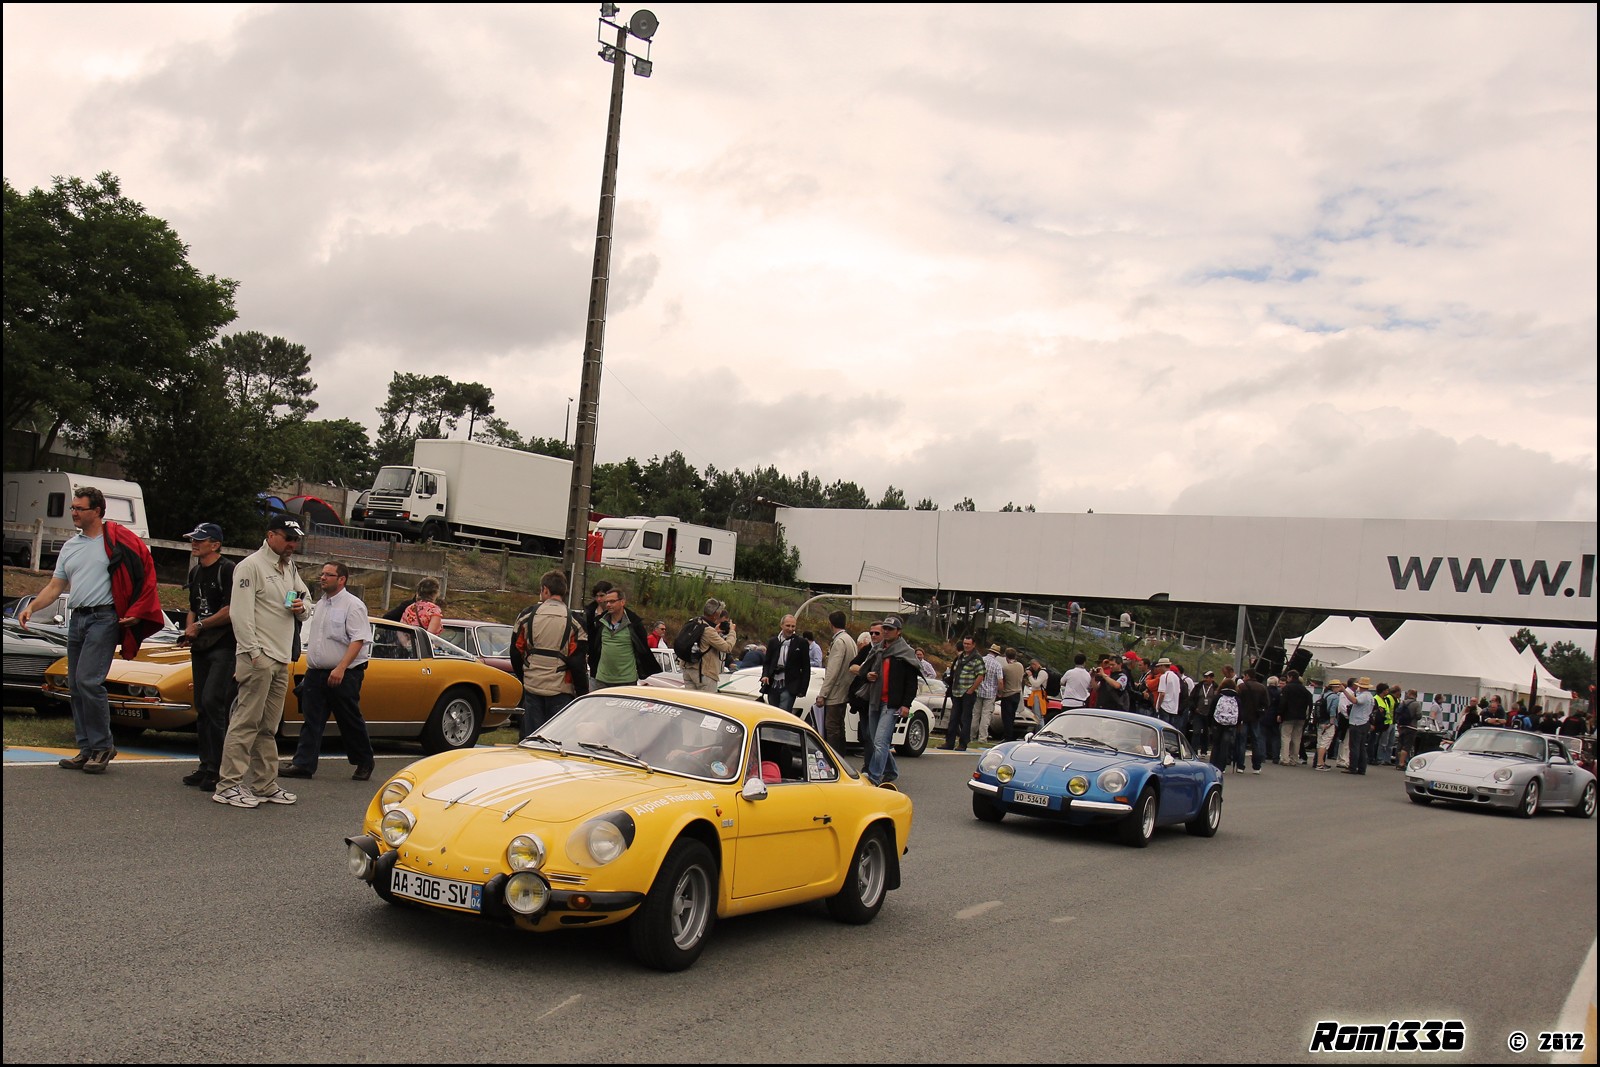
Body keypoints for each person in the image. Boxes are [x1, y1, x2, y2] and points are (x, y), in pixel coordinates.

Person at [20, 485, 163, 775]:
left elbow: (144, 575)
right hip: (78, 618)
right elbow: (56, 586)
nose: (73, 513)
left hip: (104, 617)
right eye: (72, 508)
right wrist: (32, 607)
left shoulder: (117, 540)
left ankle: (102, 746)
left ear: (96, 511)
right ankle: (86, 749)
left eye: (79, 508)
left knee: (88, 680)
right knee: (75, 684)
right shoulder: (71, 546)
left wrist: (136, 611)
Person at [213, 515, 309, 808]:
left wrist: (301, 608)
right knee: (246, 721)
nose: (292, 544)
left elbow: (306, 600)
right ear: (270, 535)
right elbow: (239, 614)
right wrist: (253, 652)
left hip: (281, 657)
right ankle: (228, 785)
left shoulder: (290, 567)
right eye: (288, 538)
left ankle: (264, 784)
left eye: (296, 540)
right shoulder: (250, 566)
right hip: (259, 656)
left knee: (268, 726)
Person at [281, 561, 375, 781]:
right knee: (312, 720)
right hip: (316, 673)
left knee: (349, 719)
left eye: (328, 575)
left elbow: (358, 639)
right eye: (322, 574)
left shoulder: (353, 605)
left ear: (341, 579)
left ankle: (364, 761)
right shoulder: (321, 604)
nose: (322, 578)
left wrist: (341, 668)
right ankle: (303, 764)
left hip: (344, 673)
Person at [180, 522, 236, 791]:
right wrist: (189, 631)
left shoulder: (228, 569)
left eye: (200, 540)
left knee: (214, 701)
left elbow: (230, 610)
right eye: (193, 539)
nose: (194, 543)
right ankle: (205, 765)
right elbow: (193, 608)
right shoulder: (196, 571)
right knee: (201, 704)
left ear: (215, 544)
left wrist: (200, 626)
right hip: (201, 646)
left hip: (223, 645)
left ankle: (219, 769)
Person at [511, 570, 587, 738]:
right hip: (561, 689)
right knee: (556, 739)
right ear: (564, 591)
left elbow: (516, 652)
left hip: (532, 686)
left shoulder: (526, 616)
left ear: (545, 590)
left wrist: (524, 676)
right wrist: (582, 693)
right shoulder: (575, 621)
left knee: (531, 739)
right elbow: (577, 662)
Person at [862, 615, 918, 786]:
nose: (886, 631)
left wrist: (906, 705)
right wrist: (868, 675)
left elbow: (911, 682)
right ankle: (891, 771)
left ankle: (874, 777)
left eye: (890, 629)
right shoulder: (877, 649)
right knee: (875, 740)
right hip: (874, 700)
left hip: (891, 703)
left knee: (881, 741)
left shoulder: (905, 652)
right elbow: (864, 670)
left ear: (898, 632)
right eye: (884, 628)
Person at [585, 584, 661, 689]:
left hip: (626, 680)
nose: (608, 605)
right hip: (602, 679)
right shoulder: (599, 623)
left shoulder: (634, 624)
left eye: (612, 601)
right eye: (607, 602)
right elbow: (593, 646)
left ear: (622, 602)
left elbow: (642, 649)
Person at [816, 611, 855, 748]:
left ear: (831, 624)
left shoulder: (839, 642)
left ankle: (833, 755)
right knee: (840, 725)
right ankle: (841, 755)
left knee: (831, 727)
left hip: (836, 691)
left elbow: (833, 670)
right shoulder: (850, 640)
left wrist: (823, 694)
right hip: (845, 689)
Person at [681, 599, 737, 693]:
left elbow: (702, 641)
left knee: (690, 700)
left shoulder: (694, 622)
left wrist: (715, 631)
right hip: (704, 673)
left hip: (688, 669)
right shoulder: (708, 630)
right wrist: (732, 632)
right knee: (707, 701)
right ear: (716, 614)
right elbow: (727, 647)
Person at [759, 614, 811, 714]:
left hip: (790, 685)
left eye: (793, 626)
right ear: (781, 625)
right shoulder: (773, 641)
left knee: (783, 712)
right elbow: (767, 662)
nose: (790, 629)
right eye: (788, 626)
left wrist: (803, 689)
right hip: (773, 683)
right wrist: (765, 675)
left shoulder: (801, 643)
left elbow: (806, 667)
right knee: (773, 712)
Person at [942, 636, 984, 751]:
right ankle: (949, 742)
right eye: (965, 643)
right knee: (953, 718)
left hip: (968, 693)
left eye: (968, 644)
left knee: (965, 719)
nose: (966, 646)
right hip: (956, 691)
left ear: (973, 645)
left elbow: (981, 675)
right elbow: (954, 672)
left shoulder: (977, 658)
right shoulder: (960, 657)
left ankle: (963, 743)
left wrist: (971, 690)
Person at [1235, 669, 1270, 774]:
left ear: (1247, 675)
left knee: (1242, 742)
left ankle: (1240, 766)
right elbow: (1266, 703)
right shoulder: (1262, 687)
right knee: (1256, 741)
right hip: (1256, 718)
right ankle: (1257, 767)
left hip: (1243, 718)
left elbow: (1237, 702)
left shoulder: (1241, 687)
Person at [1279, 670, 1312, 766]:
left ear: (1290, 677)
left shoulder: (1287, 688)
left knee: (1286, 737)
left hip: (1288, 716)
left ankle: (1285, 759)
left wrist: (1280, 714)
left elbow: (1283, 702)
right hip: (1301, 717)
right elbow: (1309, 704)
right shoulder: (1305, 690)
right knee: (1297, 738)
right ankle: (1294, 759)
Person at [1344, 677, 1375, 775]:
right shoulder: (1370, 696)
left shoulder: (1363, 696)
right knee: (1361, 747)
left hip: (1357, 722)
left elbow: (1354, 701)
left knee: (1354, 746)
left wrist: (1344, 691)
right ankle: (1362, 768)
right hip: (1365, 722)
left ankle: (1353, 767)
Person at [976, 643, 1004, 744]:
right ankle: (982, 737)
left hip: (978, 690)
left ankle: (971, 735)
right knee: (986, 715)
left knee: (975, 714)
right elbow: (1000, 681)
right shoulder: (997, 665)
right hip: (991, 693)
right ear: (996, 654)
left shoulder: (981, 660)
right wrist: (1000, 692)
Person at [1313, 679, 1343, 770]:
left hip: (1320, 721)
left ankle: (1319, 762)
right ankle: (1320, 763)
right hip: (1328, 722)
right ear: (1335, 687)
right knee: (1325, 743)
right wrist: (1331, 722)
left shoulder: (1323, 695)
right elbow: (1333, 710)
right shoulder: (1335, 697)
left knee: (1319, 742)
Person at [998, 647, 1025, 742]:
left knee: (1006, 717)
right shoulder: (1020, 666)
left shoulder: (1005, 668)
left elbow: (1001, 681)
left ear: (1006, 656)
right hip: (1017, 693)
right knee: (1012, 716)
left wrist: (1000, 693)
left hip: (1008, 694)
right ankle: (1010, 735)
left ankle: (1007, 736)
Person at [1155, 657, 1182, 728]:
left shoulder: (1164, 677)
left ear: (1162, 666)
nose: (1158, 668)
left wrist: (1158, 706)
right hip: (1174, 708)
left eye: (1159, 666)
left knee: (1163, 727)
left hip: (1165, 706)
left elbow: (1162, 694)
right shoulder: (1176, 677)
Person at [1023, 658, 1049, 729]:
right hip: (1035, 694)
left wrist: (1030, 676)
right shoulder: (1037, 673)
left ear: (1035, 664)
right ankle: (1036, 731)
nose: (1032, 667)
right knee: (1035, 716)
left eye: (1032, 665)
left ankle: (1040, 731)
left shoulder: (1042, 672)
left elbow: (1036, 684)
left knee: (1038, 716)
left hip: (1039, 695)